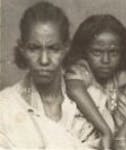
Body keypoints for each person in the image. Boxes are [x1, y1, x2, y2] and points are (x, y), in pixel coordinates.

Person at [0, 2, 97, 150]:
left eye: (53, 49)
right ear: (22, 48)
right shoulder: (6, 106)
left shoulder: (94, 102)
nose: (44, 60)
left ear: (66, 47)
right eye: (34, 48)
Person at [64, 14, 126, 150]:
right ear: (84, 51)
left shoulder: (120, 76)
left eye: (113, 52)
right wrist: (105, 131)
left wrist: (123, 134)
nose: (105, 60)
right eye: (97, 52)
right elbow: (75, 89)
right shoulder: (82, 70)